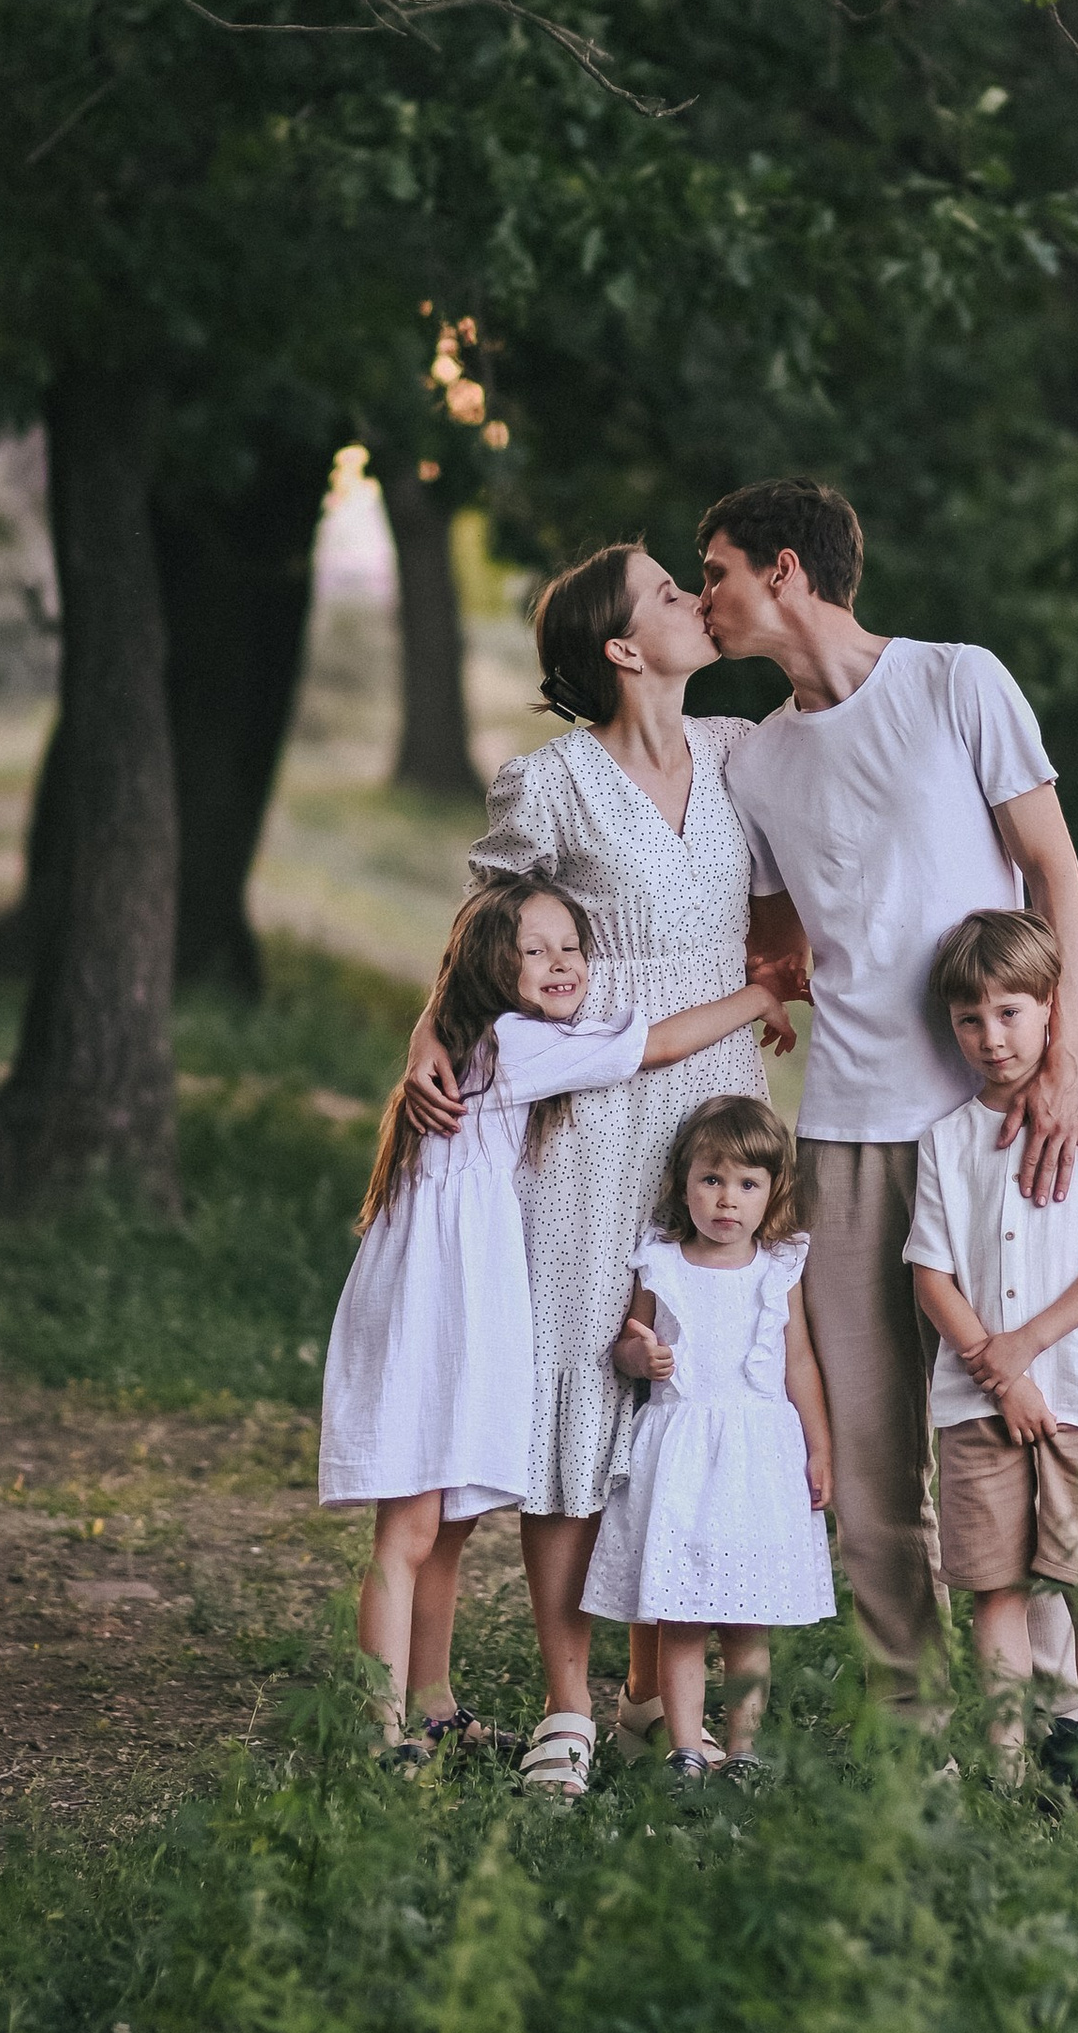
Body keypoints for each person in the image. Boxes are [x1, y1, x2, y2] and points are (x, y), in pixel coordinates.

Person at [697, 475, 1078, 1708]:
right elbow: (776, 949)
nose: (702, 596)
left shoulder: (955, 680)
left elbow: (1054, 878)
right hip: (843, 1135)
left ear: (782, 569)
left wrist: (1063, 1062)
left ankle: (1055, 1718)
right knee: (871, 1457)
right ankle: (909, 1727)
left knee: (1006, 1421)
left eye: (712, 571)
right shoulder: (757, 760)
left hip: (985, 1125)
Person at [396, 543, 773, 1781]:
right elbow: (480, 936)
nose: (690, 600)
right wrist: (424, 1043)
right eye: (668, 592)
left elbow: (784, 889)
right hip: (589, 1106)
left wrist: (776, 978)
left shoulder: (733, 752)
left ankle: (654, 1699)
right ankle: (566, 1701)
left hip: (717, 1094)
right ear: (621, 646)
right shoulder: (550, 781)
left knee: (695, 1379)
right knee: (579, 1385)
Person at [320, 871, 792, 1785]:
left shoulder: (470, 1041)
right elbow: (652, 1047)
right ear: (488, 967)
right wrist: (760, 994)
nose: (558, 963)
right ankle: (377, 1734)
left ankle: (432, 1706)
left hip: (437, 1291)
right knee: (411, 1529)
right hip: (441, 1304)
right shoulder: (515, 1044)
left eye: (571, 946)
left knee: (443, 1522)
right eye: (531, 951)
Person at [903, 910, 1078, 1817]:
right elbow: (931, 1274)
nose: (991, 1038)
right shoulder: (946, 1141)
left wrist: (1027, 1349)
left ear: (1054, 1009)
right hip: (976, 1403)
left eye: (1011, 1013)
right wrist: (998, 1369)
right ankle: (1008, 1767)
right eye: (970, 1020)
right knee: (995, 1590)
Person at [585, 1094, 836, 1777]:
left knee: (748, 1621)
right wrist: (639, 1359)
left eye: (748, 1184)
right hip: (683, 1458)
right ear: (684, 1185)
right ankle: (687, 1748)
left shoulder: (777, 1268)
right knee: (682, 1615)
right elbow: (628, 1343)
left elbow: (800, 1362)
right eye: (712, 1181)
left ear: (772, 1193)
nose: (728, 1200)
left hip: (758, 1459)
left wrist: (819, 1446)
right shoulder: (661, 1263)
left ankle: (747, 1752)